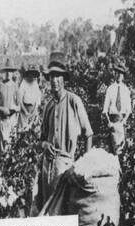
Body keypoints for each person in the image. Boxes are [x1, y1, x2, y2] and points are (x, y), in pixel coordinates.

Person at [34, 52, 93, 213]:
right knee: (47, 212)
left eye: (58, 76)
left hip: (66, 167)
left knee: (63, 213)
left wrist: (84, 165)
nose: (54, 80)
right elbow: (41, 139)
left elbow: (88, 134)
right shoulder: (48, 106)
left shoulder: (74, 101)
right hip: (48, 168)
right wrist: (45, 145)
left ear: (64, 79)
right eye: (52, 76)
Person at [103, 61, 132, 155]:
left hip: (122, 123)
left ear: (123, 76)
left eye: (121, 73)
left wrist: (124, 121)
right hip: (112, 123)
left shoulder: (126, 90)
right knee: (113, 151)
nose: (119, 75)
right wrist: (109, 122)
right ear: (115, 74)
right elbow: (105, 110)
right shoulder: (110, 89)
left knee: (122, 150)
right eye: (118, 73)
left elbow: (128, 109)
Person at [0, 58, 20, 156]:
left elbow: (19, 106)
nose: (9, 74)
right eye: (7, 71)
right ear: (4, 72)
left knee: (10, 147)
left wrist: (14, 108)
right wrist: (1, 109)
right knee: (1, 146)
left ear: (13, 73)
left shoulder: (16, 87)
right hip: (2, 121)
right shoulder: (0, 85)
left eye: (11, 71)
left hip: (12, 121)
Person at [17, 63, 42, 132]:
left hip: (33, 109)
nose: (32, 76)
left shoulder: (35, 83)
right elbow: (20, 100)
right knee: (23, 130)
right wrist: (25, 111)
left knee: (33, 129)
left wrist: (35, 110)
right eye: (31, 73)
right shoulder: (24, 83)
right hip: (25, 109)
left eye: (33, 74)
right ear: (28, 74)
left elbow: (37, 98)